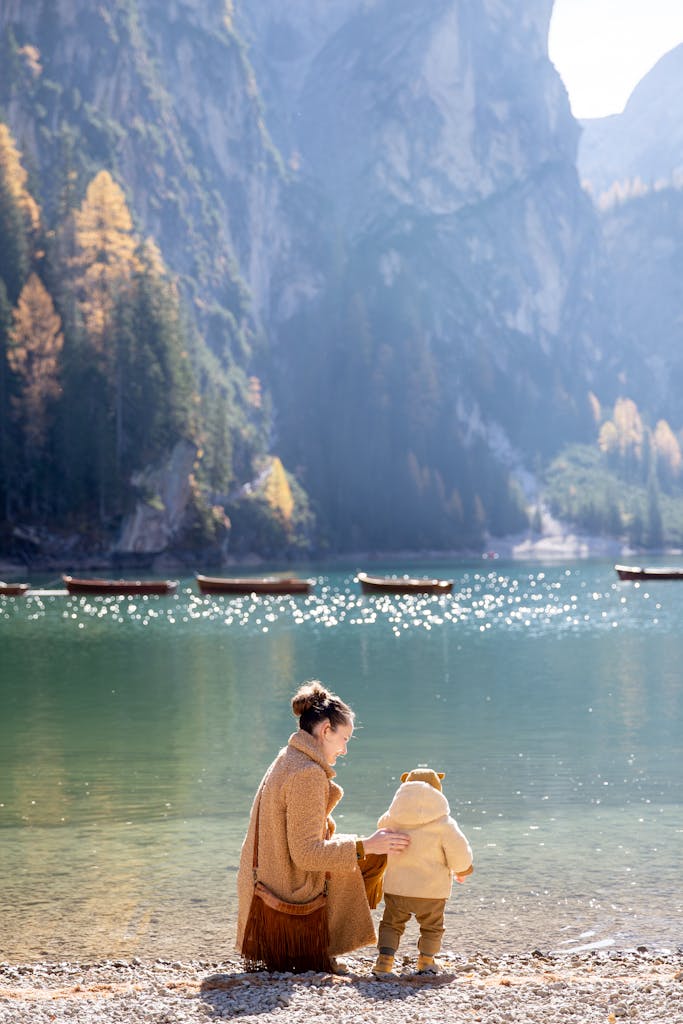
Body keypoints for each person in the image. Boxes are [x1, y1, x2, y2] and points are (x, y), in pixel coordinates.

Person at [235, 680, 410, 973]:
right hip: (283, 893)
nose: (344, 750)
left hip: (265, 880)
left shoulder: (288, 757)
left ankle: (327, 947)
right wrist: (367, 846)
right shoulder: (307, 773)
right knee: (374, 857)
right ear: (326, 730)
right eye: (345, 739)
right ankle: (323, 947)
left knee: (363, 851)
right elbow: (306, 854)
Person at [371, 767, 473, 977]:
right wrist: (462, 869)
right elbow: (459, 850)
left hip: (397, 888)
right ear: (438, 790)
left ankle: (384, 961)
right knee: (432, 927)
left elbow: (380, 825)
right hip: (432, 892)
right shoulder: (444, 824)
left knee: (391, 924)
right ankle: (426, 962)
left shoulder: (392, 818)